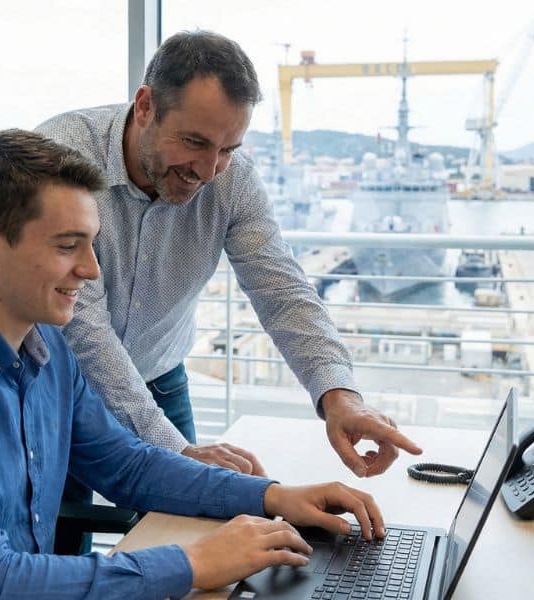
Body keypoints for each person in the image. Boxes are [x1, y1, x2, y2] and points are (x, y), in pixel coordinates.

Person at [0, 129, 385, 599]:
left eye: (93, 244)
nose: (93, 270)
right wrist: (194, 563)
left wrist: (273, 497)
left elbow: (130, 467)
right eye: (68, 245)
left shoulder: (45, 352)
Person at [35, 30, 423, 478]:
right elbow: (82, 328)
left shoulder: (232, 180)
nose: (207, 170)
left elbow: (281, 288)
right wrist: (176, 450)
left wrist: (340, 396)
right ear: (145, 107)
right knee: (59, 534)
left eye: (228, 149)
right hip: (50, 382)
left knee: (187, 518)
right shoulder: (61, 158)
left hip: (157, 374)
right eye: (195, 142)